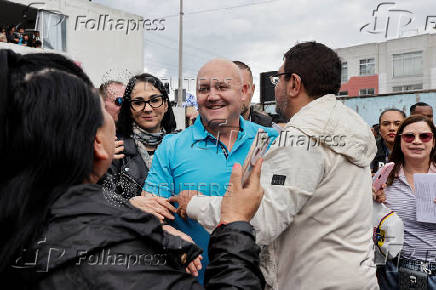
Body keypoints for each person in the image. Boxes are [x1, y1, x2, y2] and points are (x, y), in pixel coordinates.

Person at [0, 49, 265, 289]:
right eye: (135, 102)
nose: (147, 108)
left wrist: (155, 232)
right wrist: (233, 221)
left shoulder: (268, 139)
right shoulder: (114, 246)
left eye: (154, 99)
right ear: (97, 144)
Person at [174, 42, 379, 289]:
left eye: (278, 79)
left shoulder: (303, 138)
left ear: (294, 83)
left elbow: (261, 220)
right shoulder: (345, 128)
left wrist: (194, 203)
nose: (277, 87)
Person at [142, 59, 278, 283]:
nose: (212, 96)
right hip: (191, 282)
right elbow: (150, 214)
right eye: (204, 89)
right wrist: (170, 237)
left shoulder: (269, 139)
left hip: (255, 281)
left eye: (222, 87)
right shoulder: (172, 146)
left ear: (244, 92)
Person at [373, 115, 436, 289]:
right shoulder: (384, 178)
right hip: (394, 271)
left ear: (433, 141)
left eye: (424, 136)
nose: (416, 141)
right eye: (409, 136)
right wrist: (373, 200)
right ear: (400, 141)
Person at [102, 74, 176, 201]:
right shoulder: (115, 149)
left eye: (155, 100)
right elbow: (102, 200)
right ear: (129, 109)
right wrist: (131, 206)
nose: (147, 108)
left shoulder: (182, 145)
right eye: (138, 102)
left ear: (166, 105)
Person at [233, 60, 273, 127]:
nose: (239, 95)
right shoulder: (211, 128)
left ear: (252, 90)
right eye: (232, 88)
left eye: (244, 88)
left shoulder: (268, 128)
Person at [371, 109, 406, 173]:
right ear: (379, 129)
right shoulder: (370, 150)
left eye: (397, 124)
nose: (391, 128)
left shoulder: (413, 148)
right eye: (386, 124)